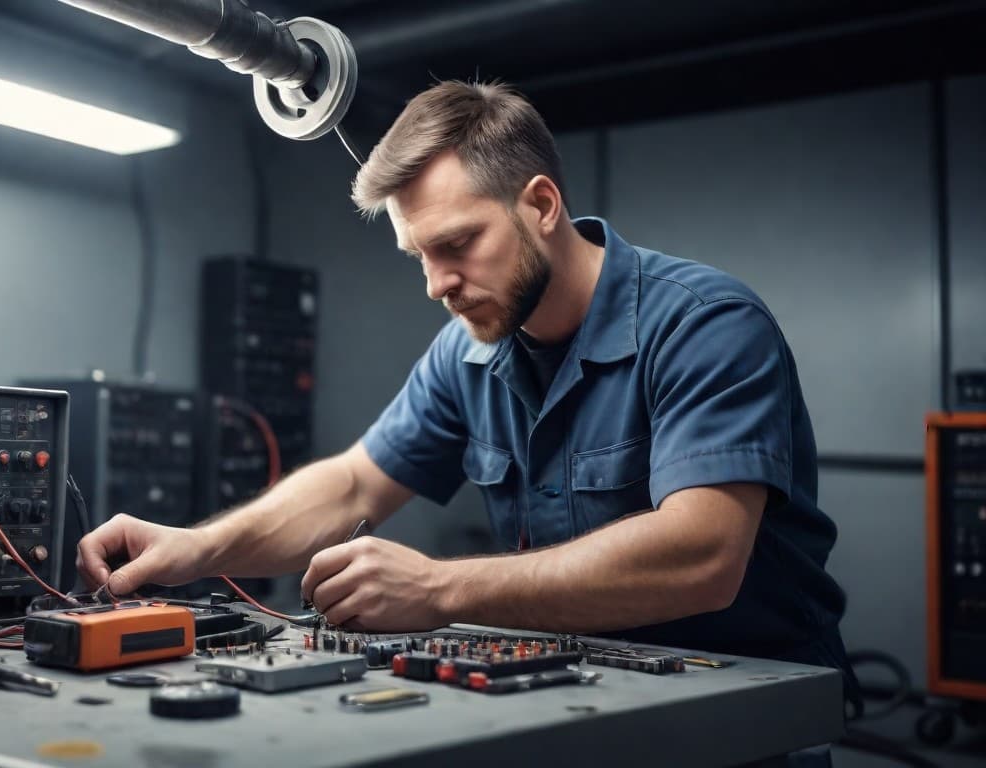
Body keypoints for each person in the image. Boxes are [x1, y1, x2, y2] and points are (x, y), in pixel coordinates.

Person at [77, 81, 854, 712]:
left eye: (456, 245)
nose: (435, 284)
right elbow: (353, 483)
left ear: (541, 205)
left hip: (741, 706)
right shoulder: (469, 351)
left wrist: (440, 589)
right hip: (577, 695)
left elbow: (704, 556)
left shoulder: (704, 324)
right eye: (418, 254)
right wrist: (196, 548)